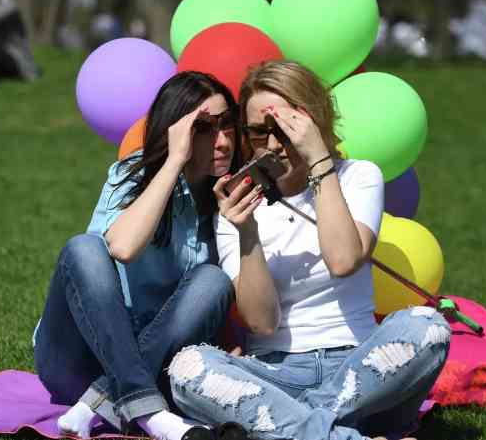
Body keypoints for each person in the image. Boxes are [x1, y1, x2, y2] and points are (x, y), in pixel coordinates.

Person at [167, 61, 451, 440]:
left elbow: (344, 259)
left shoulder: (357, 176)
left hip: (359, 371)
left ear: (312, 123)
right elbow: (261, 322)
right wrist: (246, 231)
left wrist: (319, 162)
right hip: (274, 373)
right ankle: (337, 434)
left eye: (284, 130)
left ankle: (297, 428)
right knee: (187, 369)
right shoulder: (235, 207)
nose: (271, 145)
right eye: (257, 132)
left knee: (428, 326)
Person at [33, 71, 239, 440]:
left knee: (213, 281)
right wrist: (175, 161)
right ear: (177, 130)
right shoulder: (131, 175)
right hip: (75, 357)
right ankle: (150, 414)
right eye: (204, 128)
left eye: (228, 124)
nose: (222, 140)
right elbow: (123, 248)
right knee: (83, 248)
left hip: (156, 362)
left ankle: (102, 403)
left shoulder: (228, 198)